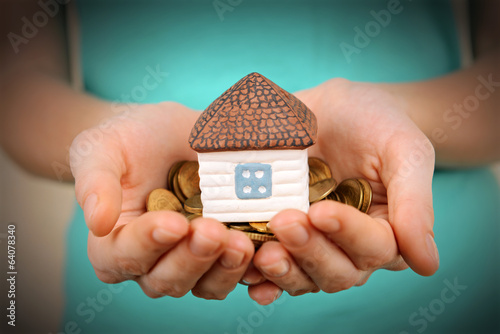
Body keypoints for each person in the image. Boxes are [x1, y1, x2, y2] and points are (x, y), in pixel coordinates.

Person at [1, 0, 498, 333]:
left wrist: (406, 122)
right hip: (126, 309)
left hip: (448, 306)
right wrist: (103, 143)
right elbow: (13, 81)